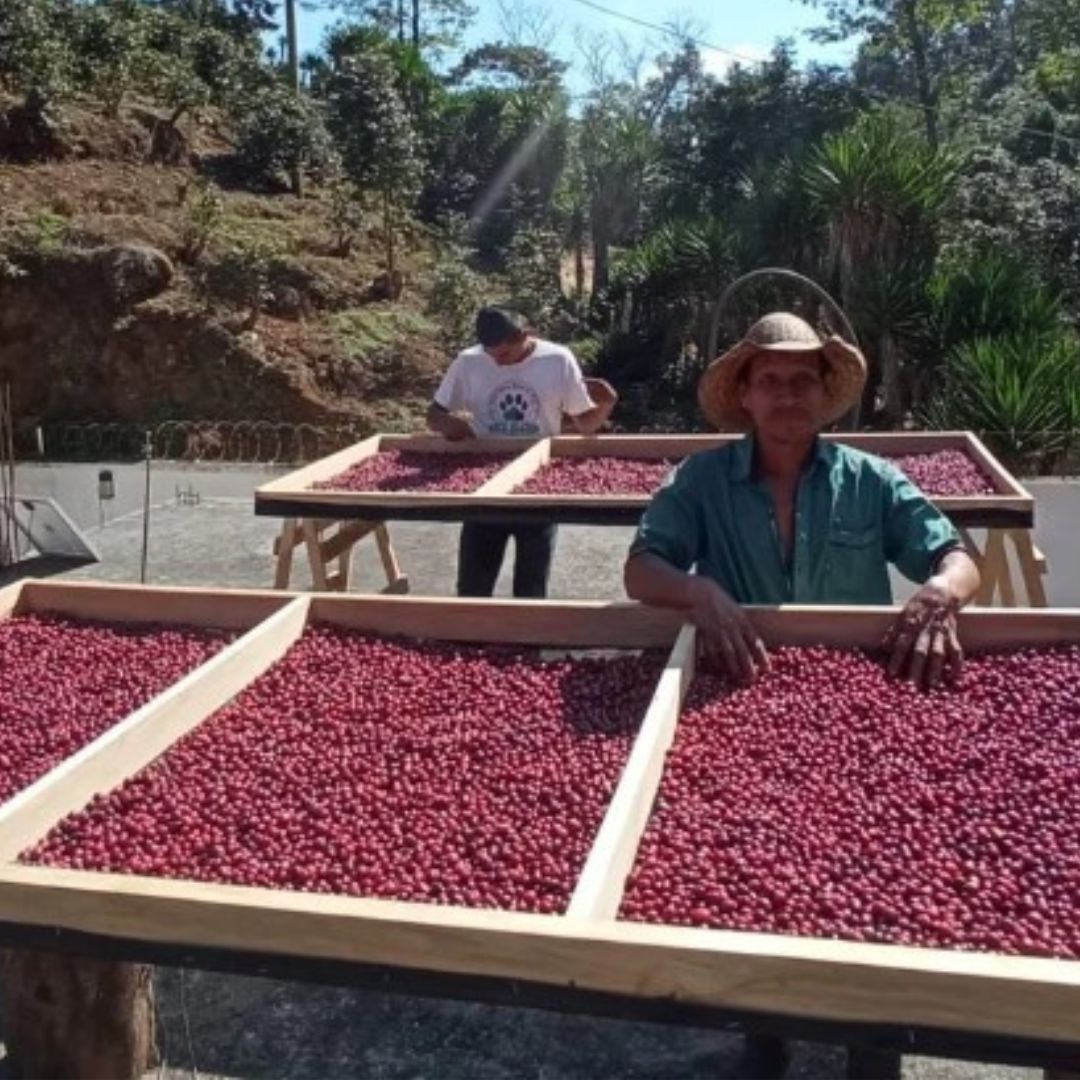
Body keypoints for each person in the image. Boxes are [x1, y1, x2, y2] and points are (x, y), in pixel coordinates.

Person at [624, 312, 981, 1080]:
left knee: (869, 862)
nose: (787, 394)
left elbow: (954, 554)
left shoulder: (871, 479)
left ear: (825, 395)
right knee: (759, 861)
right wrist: (699, 592)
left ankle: (873, 1038)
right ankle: (765, 1027)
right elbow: (641, 568)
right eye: (771, 381)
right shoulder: (702, 481)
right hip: (742, 693)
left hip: (859, 699)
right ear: (745, 396)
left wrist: (942, 594)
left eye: (803, 381)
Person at [428, 306, 617, 598]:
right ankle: (469, 639)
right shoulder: (469, 361)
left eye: (504, 355)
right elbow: (434, 414)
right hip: (483, 485)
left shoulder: (557, 360)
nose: (497, 363)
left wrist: (605, 405)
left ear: (525, 337)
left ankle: (524, 644)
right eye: (490, 355)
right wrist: (447, 424)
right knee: (472, 587)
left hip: (537, 484)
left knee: (531, 588)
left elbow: (585, 424)